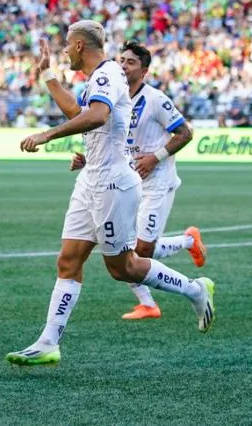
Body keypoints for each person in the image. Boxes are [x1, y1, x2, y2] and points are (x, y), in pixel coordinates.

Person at [6, 21, 215, 367]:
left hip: (114, 184)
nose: (63, 52)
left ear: (78, 47)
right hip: (91, 181)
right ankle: (48, 342)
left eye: (65, 47)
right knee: (68, 260)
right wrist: (47, 76)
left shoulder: (107, 75)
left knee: (124, 268)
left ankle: (195, 289)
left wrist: (46, 135)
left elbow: (98, 117)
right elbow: (79, 113)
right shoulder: (100, 78)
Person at [89, 40, 206, 320]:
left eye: (130, 62)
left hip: (158, 182)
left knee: (141, 250)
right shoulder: (115, 97)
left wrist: (156, 157)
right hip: (129, 179)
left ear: (144, 71)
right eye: (121, 60)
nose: (123, 66)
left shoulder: (155, 99)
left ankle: (188, 242)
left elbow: (185, 133)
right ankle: (148, 304)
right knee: (126, 249)